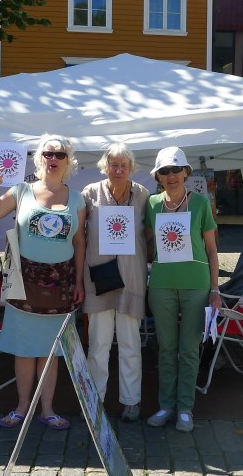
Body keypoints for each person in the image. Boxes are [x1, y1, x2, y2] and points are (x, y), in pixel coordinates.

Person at [0, 134, 85, 431]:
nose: (53, 159)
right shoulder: (21, 191)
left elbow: (79, 243)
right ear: (39, 158)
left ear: (68, 160)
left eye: (60, 154)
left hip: (60, 287)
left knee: (50, 352)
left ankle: (48, 409)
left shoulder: (77, 200)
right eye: (48, 153)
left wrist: (78, 282)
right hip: (23, 284)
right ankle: (23, 407)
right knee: (25, 350)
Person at [143, 146, 220, 432]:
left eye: (176, 169)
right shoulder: (150, 204)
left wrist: (215, 289)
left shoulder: (200, 202)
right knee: (166, 348)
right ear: (158, 176)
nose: (171, 175)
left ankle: (185, 407)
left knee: (189, 349)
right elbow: (145, 244)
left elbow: (212, 250)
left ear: (186, 172)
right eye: (165, 171)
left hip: (196, 286)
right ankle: (166, 405)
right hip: (161, 285)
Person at [81, 143, 149, 422]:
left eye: (123, 165)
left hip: (131, 279)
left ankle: (131, 401)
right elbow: (79, 235)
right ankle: (95, 400)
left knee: (131, 345)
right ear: (105, 166)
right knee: (98, 345)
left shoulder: (143, 195)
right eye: (113, 164)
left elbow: (149, 234)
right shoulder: (90, 194)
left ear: (131, 167)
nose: (118, 170)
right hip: (99, 279)